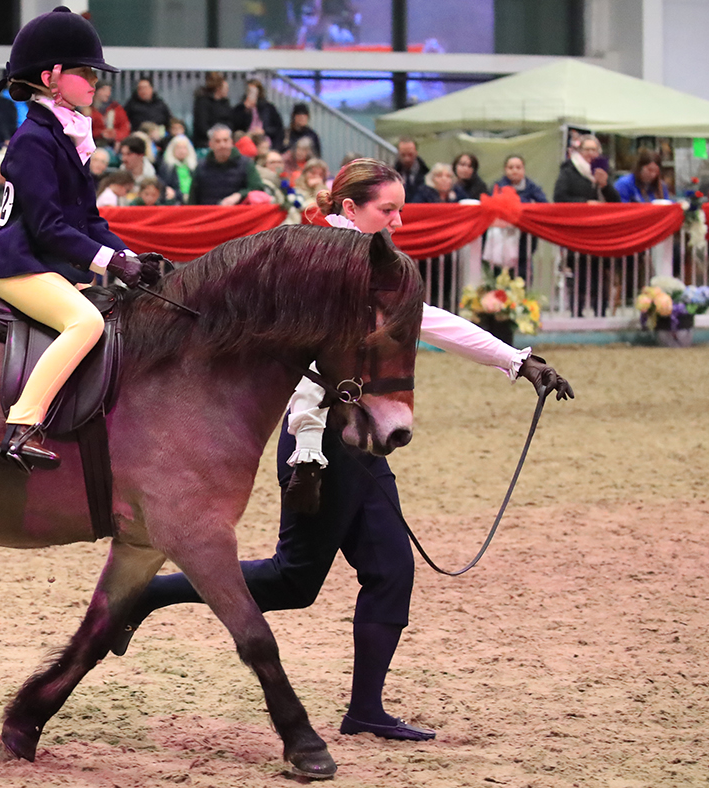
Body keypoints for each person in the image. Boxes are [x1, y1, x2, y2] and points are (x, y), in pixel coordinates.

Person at [116, 157, 575, 742]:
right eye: (389, 210)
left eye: (401, 210)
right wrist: (308, 447)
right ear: (350, 209)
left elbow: (422, 320)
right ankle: (148, 592)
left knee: (390, 571)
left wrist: (516, 360)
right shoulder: (321, 261)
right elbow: (304, 360)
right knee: (293, 581)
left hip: (361, 441)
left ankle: (365, 711)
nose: (399, 222)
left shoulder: (368, 265)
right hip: (324, 443)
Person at [0, 7, 162, 470]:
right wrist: (111, 264)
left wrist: (130, 256)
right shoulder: (32, 140)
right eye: (86, 72)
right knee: (86, 323)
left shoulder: (66, 133)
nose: (96, 81)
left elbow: (89, 221)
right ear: (51, 77)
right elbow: (49, 227)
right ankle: (20, 428)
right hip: (19, 265)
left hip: (48, 262)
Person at [190, 124, 265, 206]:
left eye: (225, 140)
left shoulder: (246, 164)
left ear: (231, 142)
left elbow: (257, 188)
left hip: (238, 214)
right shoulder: (201, 167)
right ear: (210, 144)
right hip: (209, 215)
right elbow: (193, 199)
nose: (222, 145)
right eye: (217, 141)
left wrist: (239, 195)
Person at [230, 79, 284, 152]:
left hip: (264, 139)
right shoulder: (239, 109)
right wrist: (245, 109)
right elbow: (236, 127)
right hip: (246, 139)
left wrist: (264, 131)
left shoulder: (268, 108)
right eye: (249, 91)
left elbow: (277, 128)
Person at [554, 134, 604, 203]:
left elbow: (615, 199)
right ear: (580, 151)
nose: (590, 153)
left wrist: (606, 185)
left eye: (594, 150)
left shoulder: (601, 169)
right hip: (576, 212)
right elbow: (559, 197)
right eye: (587, 149)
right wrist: (585, 203)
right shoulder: (568, 170)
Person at [191, 72, 233, 148]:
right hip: (206, 141)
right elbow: (202, 125)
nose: (228, 90)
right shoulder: (202, 102)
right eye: (226, 88)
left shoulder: (225, 103)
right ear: (218, 88)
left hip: (225, 135)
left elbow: (230, 120)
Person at [158, 134, 197, 204]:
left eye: (184, 148)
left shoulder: (194, 167)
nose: (182, 151)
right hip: (176, 200)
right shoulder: (166, 168)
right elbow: (164, 185)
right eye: (179, 148)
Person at [90, 83, 130, 148]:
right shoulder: (88, 109)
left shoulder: (116, 107)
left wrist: (116, 135)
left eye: (109, 90)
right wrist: (100, 133)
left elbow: (124, 126)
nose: (107, 93)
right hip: (95, 142)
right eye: (103, 90)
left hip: (115, 142)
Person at [393, 137, 427, 202]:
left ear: (416, 152)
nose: (407, 159)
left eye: (410, 154)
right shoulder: (392, 176)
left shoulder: (426, 174)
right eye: (403, 155)